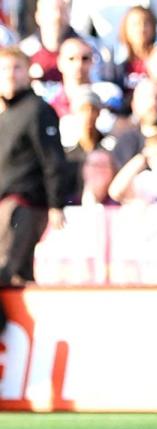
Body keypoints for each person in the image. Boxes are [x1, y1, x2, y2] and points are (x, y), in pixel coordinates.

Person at [0, 46, 67, 285]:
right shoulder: (6, 115)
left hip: (24, 204)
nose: (10, 74)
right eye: (4, 68)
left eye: (16, 67)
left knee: (8, 272)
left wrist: (55, 204)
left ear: (28, 72)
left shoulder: (38, 110)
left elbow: (53, 159)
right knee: (17, 276)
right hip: (5, 206)